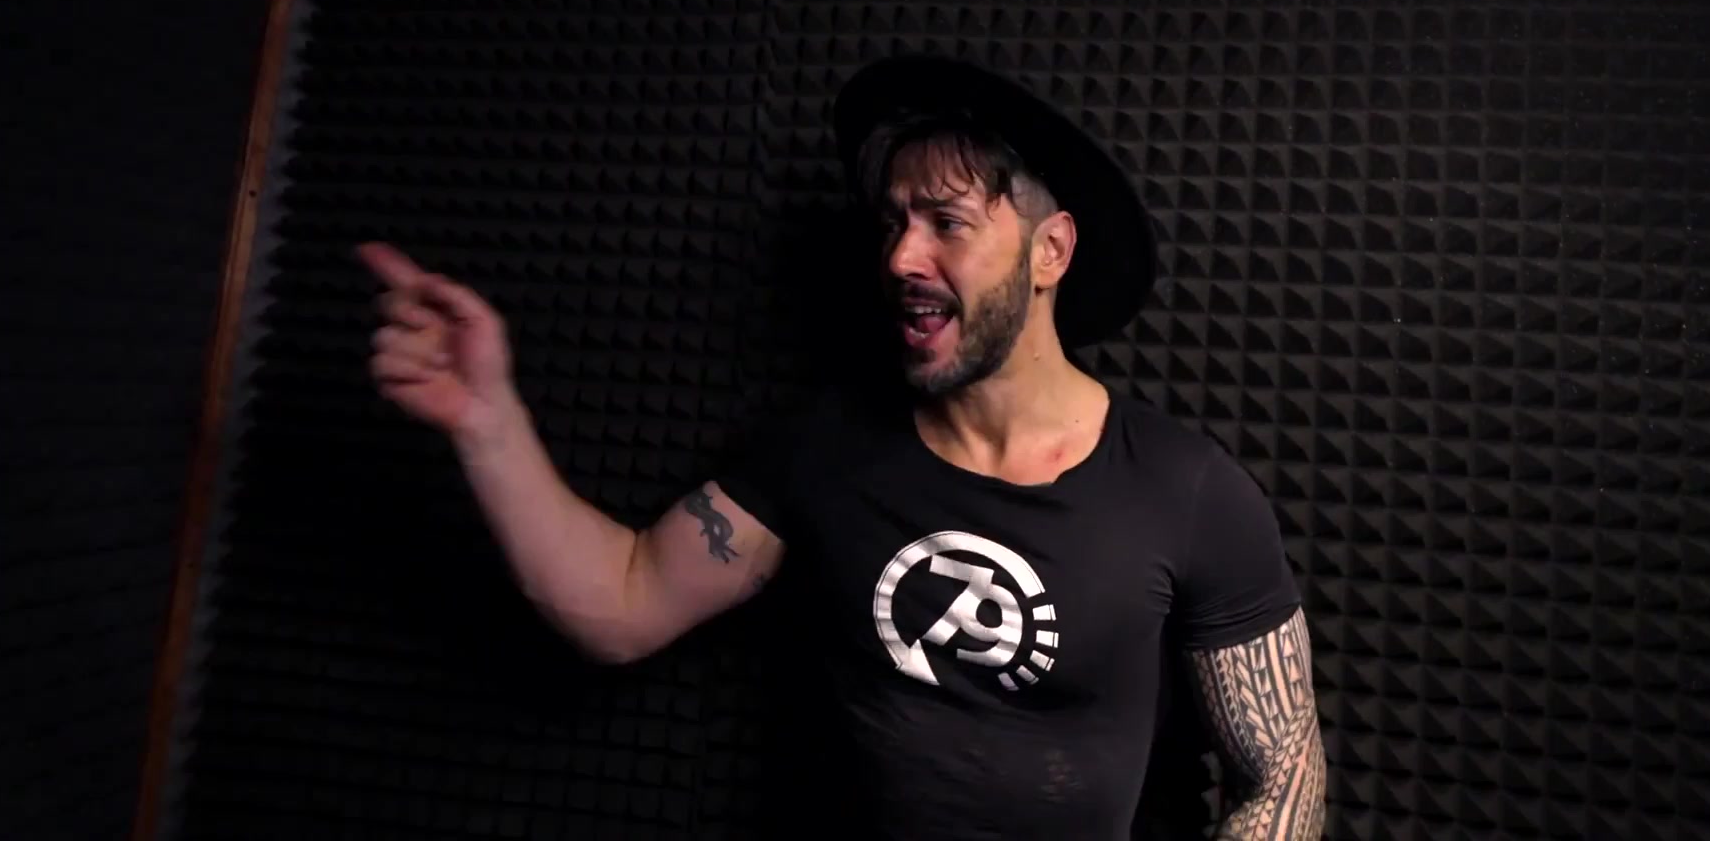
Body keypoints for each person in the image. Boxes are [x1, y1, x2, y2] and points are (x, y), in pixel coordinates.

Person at [358, 54, 1326, 839]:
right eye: (895, 223)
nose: (901, 257)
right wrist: (488, 422)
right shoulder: (825, 448)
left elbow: (1283, 768)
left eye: (946, 223)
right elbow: (621, 600)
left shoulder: (1188, 493)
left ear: (1050, 252)